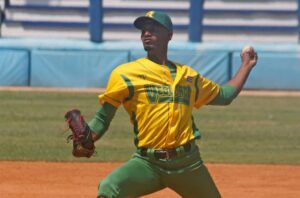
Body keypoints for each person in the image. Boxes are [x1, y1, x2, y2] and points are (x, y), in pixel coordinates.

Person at [87, 11, 257, 197]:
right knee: (109, 188)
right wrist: (87, 138)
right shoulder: (126, 74)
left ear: (169, 35)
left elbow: (225, 95)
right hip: (147, 163)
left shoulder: (188, 76)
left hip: (188, 164)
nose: (146, 33)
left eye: (153, 29)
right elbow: (103, 118)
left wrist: (246, 66)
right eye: (143, 30)